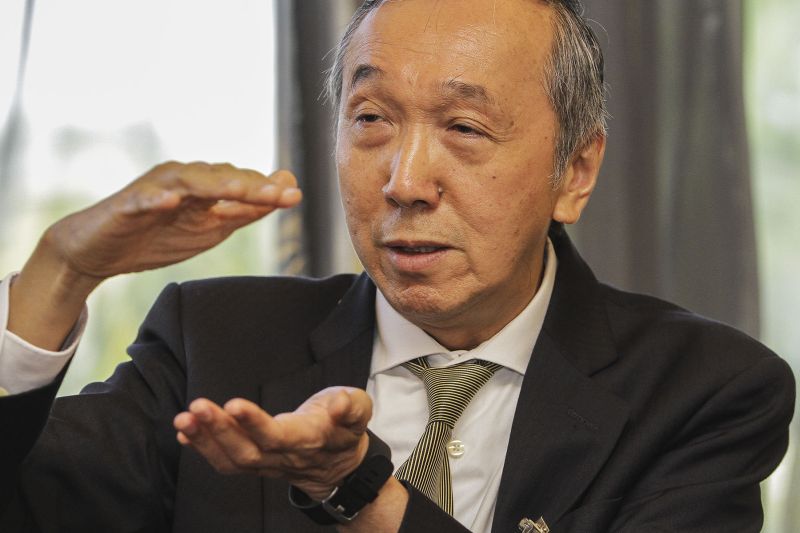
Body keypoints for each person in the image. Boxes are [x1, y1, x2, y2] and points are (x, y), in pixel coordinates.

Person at [0, 0, 794, 531]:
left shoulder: (703, 388)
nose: (405, 182)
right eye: (372, 117)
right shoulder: (213, 341)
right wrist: (56, 276)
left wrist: (360, 488)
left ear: (575, 172)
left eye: (466, 127)